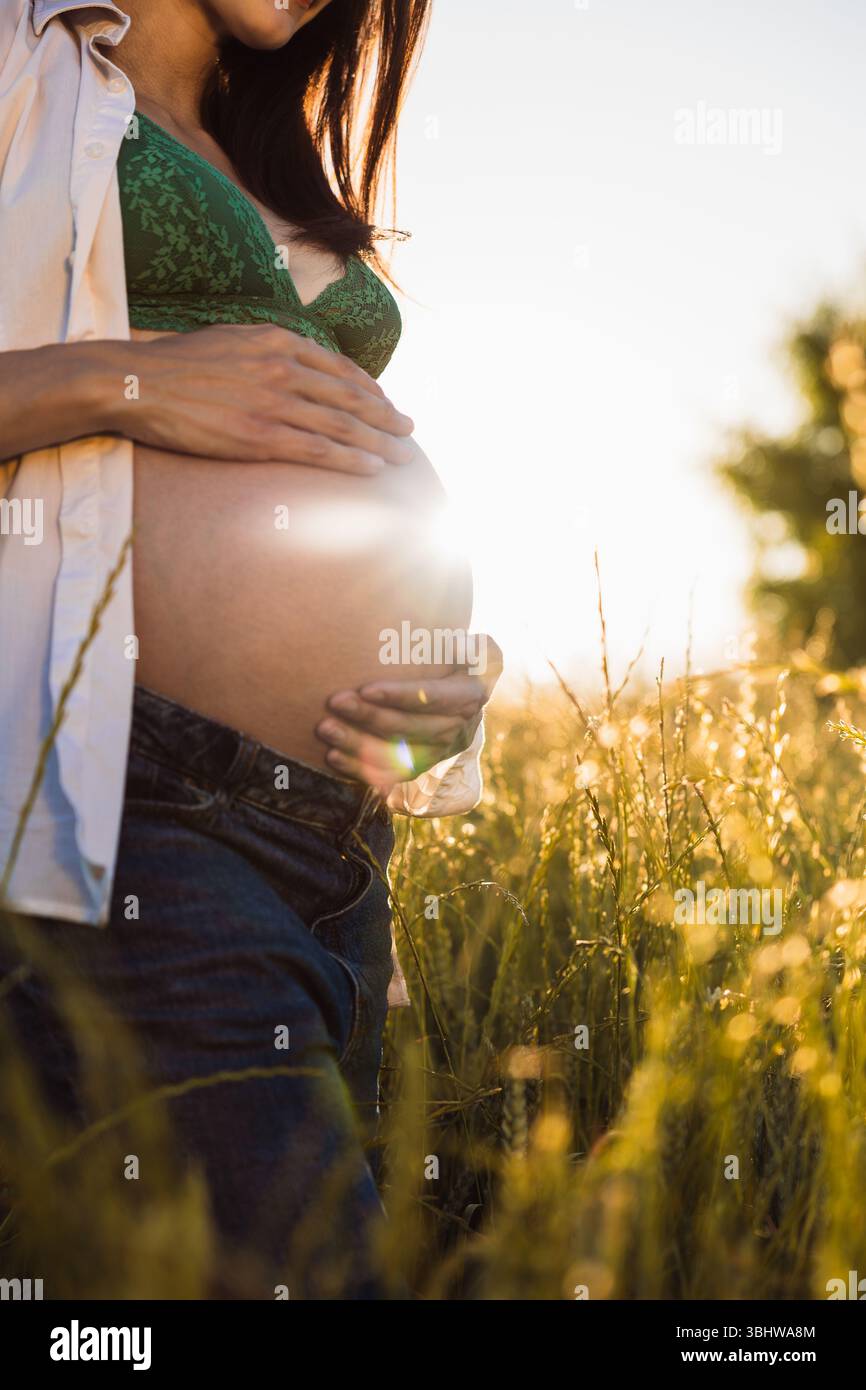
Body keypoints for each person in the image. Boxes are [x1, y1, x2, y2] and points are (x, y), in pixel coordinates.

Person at [0, 0, 501, 1298]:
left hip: (337, 850)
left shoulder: (273, 153)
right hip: (134, 798)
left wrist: (446, 685)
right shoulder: (23, 61)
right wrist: (126, 379)